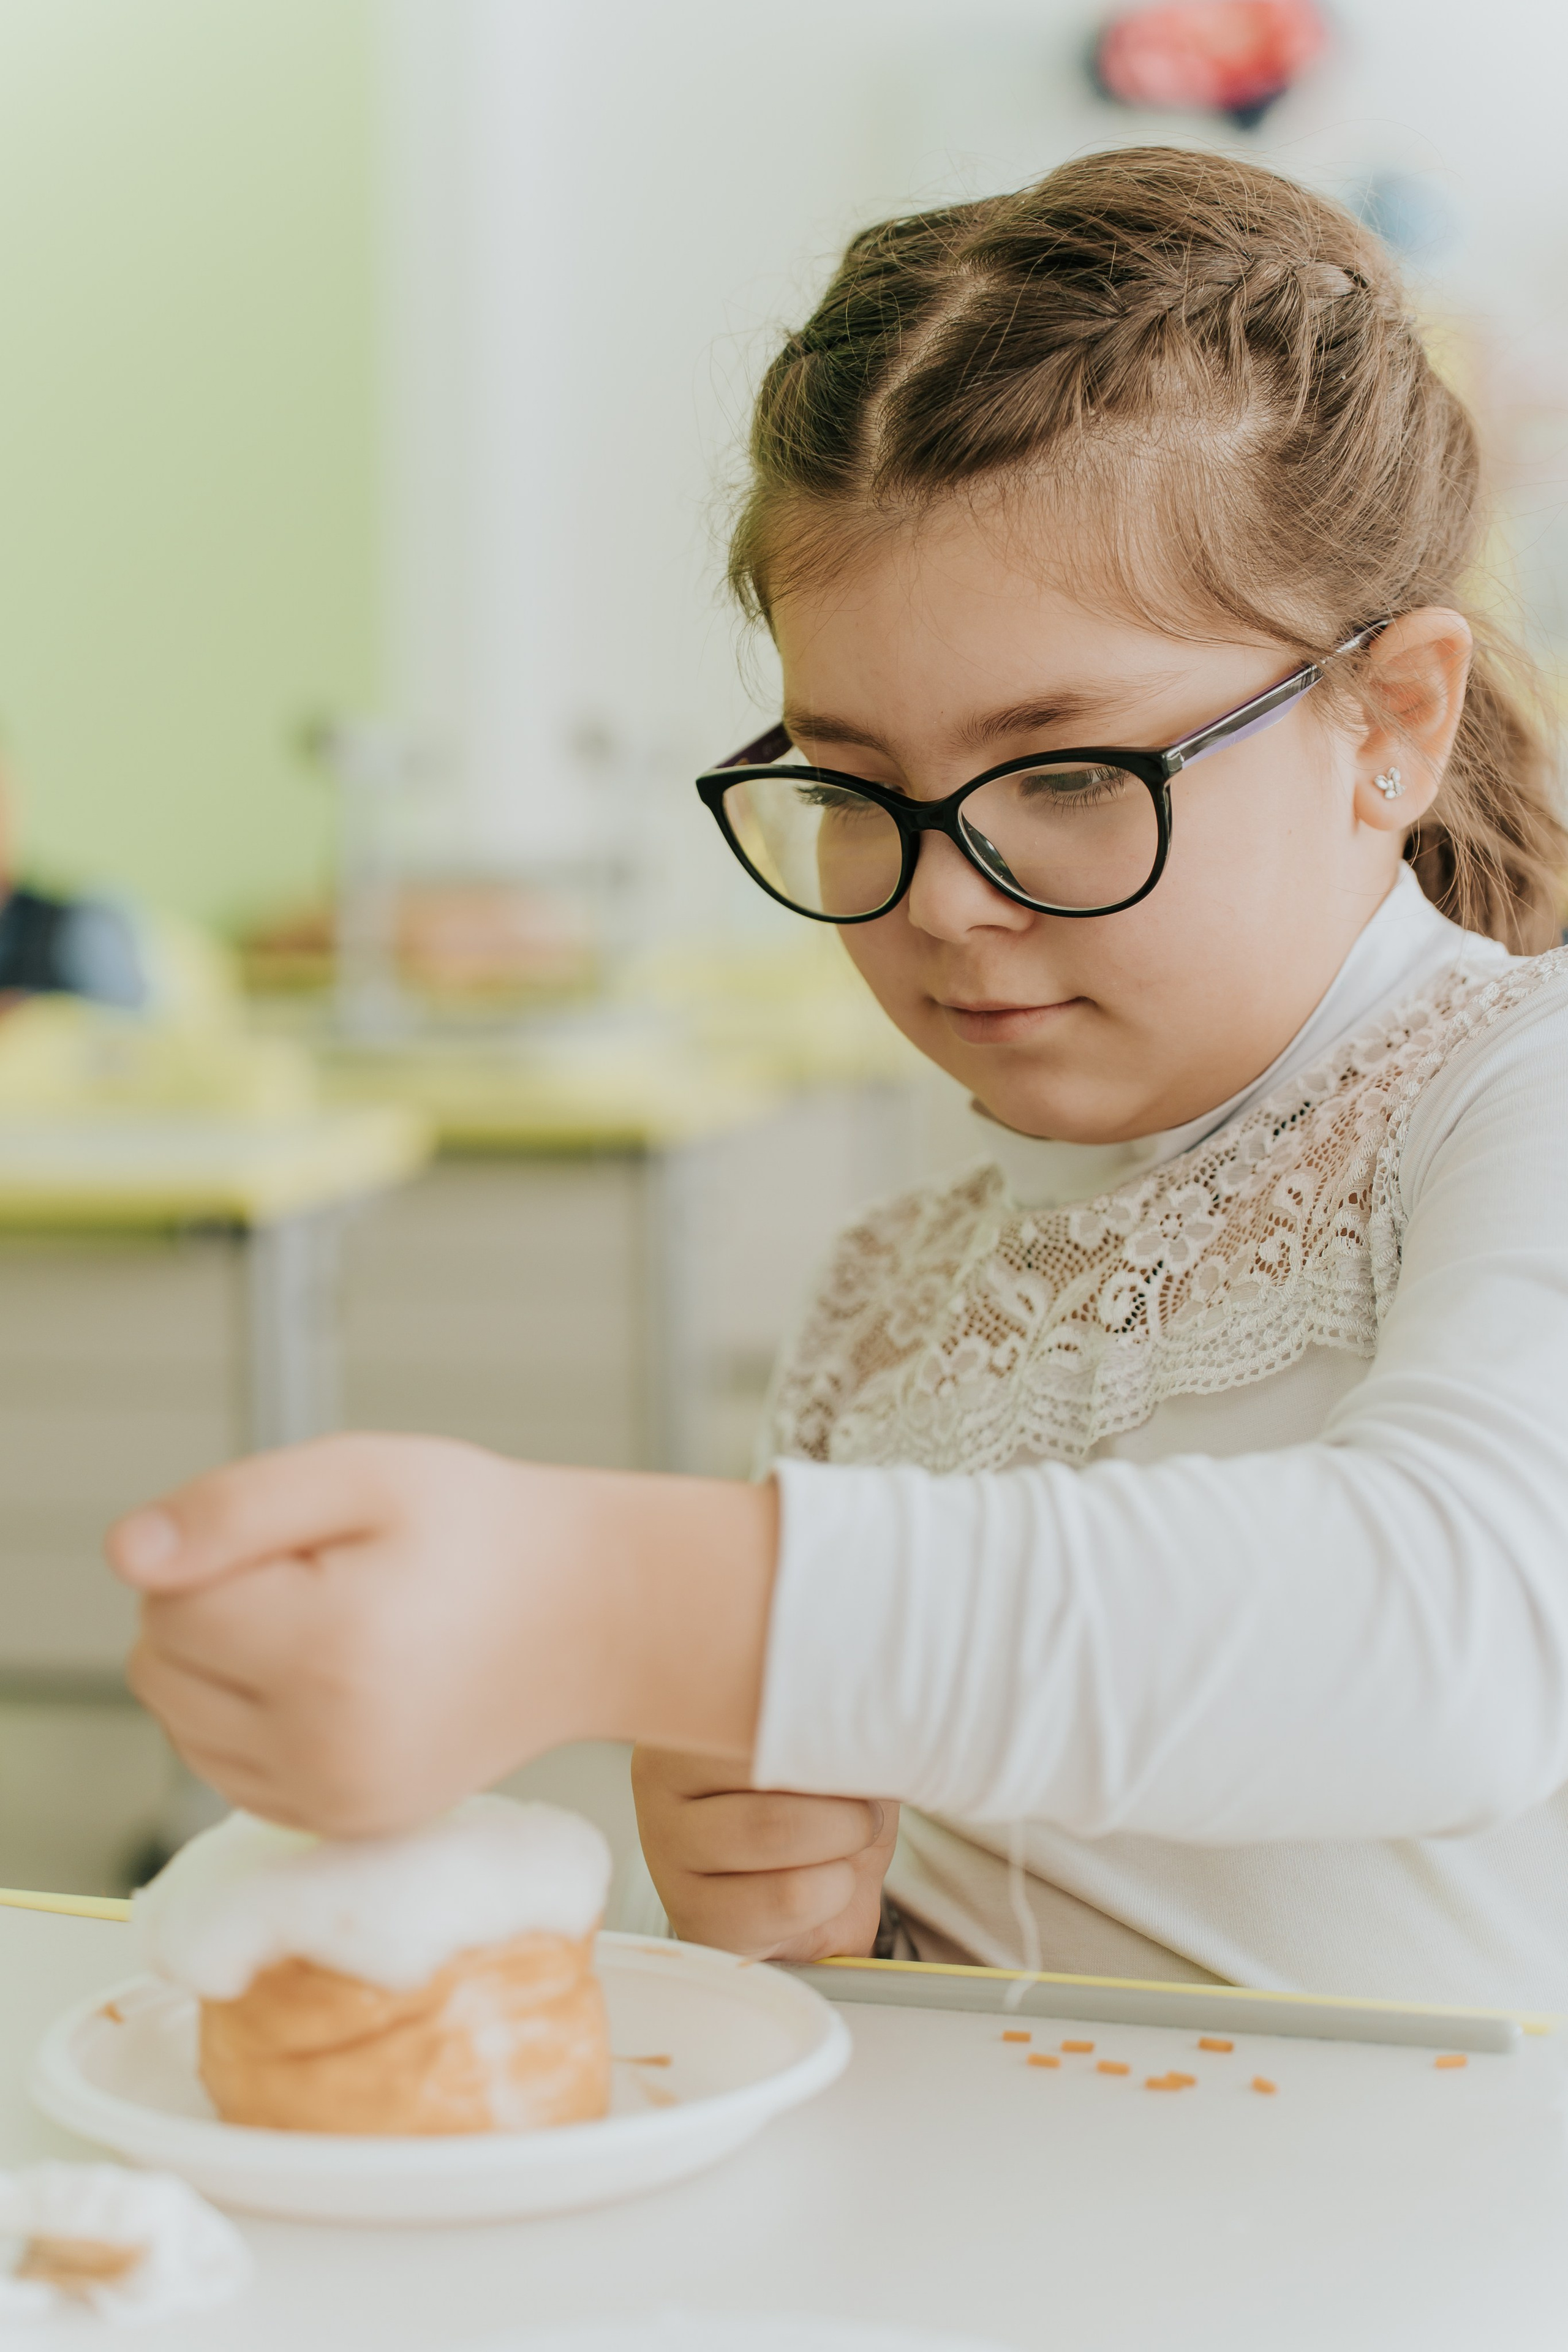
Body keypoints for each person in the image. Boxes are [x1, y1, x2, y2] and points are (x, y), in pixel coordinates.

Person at [109, 148, 1568, 2008]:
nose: (945, 899)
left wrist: (624, 1601)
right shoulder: (890, 1299)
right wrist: (802, 1916)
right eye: (857, 788)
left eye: (1062, 775)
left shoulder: (1518, 1094)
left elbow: (1451, 1639)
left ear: (1394, 722)